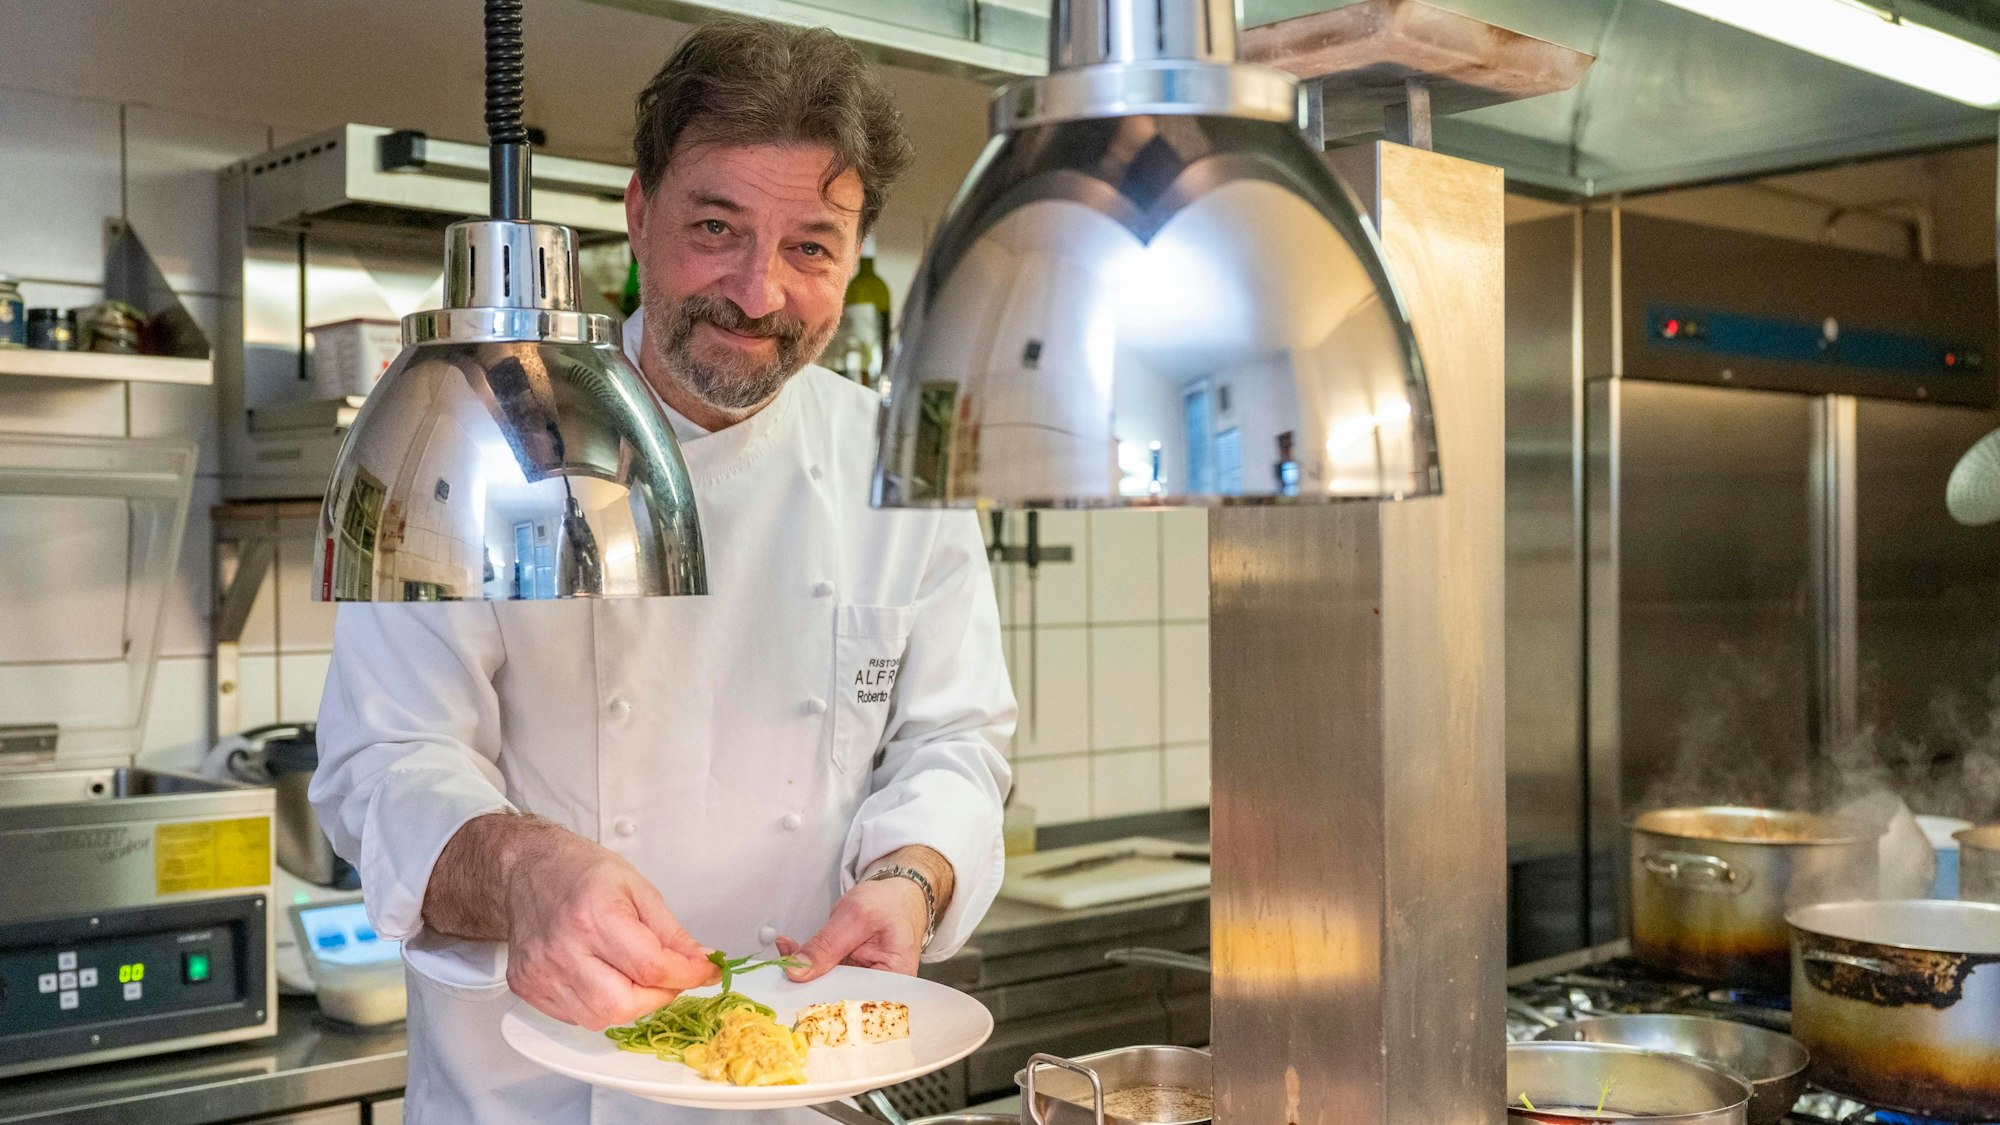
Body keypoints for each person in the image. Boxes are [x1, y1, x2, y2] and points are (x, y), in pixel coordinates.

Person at [310, 17, 1015, 1123]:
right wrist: (522, 875)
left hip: (792, 1093)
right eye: (715, 228)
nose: (757, 291)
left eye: (811, 248)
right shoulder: (478, 434)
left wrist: (912, 877)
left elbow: (954, 739)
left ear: (855, 255)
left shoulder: (895, 460)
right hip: (529, 1097)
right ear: (638, 213)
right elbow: (382, 762)